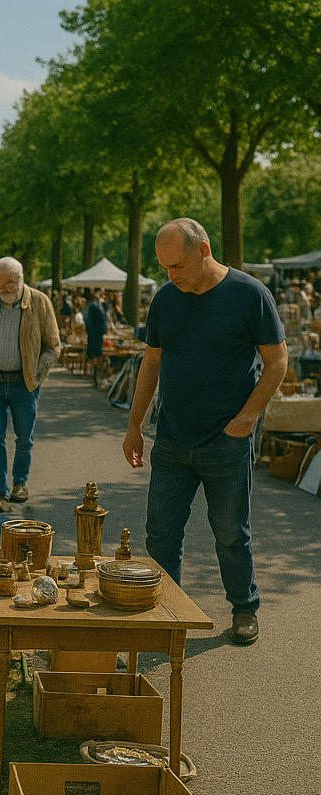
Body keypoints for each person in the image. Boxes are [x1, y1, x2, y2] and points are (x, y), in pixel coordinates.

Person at [123, 218, 287, 646]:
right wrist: (134, 425)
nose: (171, 275)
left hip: (226, 442)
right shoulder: (165, 300)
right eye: (164, 267)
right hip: (172, 439)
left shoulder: (250, 294)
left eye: (177, 265)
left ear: (204, 250)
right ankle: (166, 612)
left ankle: (244, 608)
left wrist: (247, 419)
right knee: (160, 533)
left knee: (231, 533)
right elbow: (151, 363)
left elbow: (277, 362)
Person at [0, 256, 61, 512]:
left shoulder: (40, 302)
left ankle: (20, 483)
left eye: (6, 284)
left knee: (24, 438)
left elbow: (53, 346)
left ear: (19, 279)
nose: (1, 290)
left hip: (24, 384)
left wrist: (37, 375)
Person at [83, 287, 107, 369]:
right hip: (95, 331)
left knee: (97, 350)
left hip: (97, 331)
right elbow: (89, 320)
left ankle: (96, 366)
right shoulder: (94, 305)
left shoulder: (101, 305)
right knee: (94, 350)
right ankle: (94, 366)